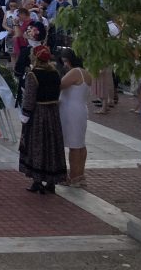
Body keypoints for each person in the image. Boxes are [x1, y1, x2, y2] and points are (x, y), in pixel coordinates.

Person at [18, 45, 68, 194]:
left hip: (39, 114)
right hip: (53, 114)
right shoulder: (55, 73)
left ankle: (37, 180)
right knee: (51, 146)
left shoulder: (33, 75)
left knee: (38, 145)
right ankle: (51, 181)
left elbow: (29, 98)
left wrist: (25, 115)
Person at [57, 47, 92, 187]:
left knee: (74, 145)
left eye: (65, 61)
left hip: (71, 111)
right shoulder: (86, 73)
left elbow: (59, 85)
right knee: (80, 144)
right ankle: (80, 175)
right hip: (80, 109)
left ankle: (73, 176)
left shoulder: (75, 72)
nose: (65, 64)